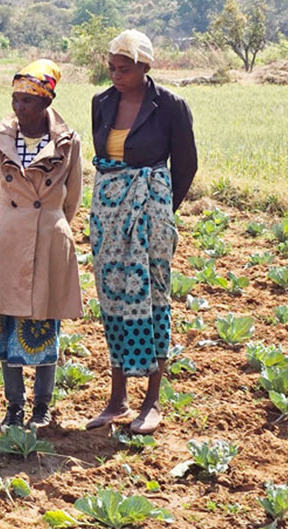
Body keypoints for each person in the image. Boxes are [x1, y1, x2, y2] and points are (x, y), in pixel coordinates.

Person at [85, 30, 197, 434]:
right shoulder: (101, 103)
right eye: (112, 68)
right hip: (107, 215)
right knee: (112, 298)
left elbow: (185, 166)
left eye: (124, 69)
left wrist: (159, 209)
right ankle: (117, 400)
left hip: (150, 214)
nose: (115, 75)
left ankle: (152, 401)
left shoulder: (169, 106)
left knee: (153, 301)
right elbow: (103, 159)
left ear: (145, 68)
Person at [0, 59, 82, 430]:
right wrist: (4, 222)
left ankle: (42, 408)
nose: (19, 107)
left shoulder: (68, 141)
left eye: (28, 101)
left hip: (47, 239)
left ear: (47, 102)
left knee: (45, 325)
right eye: (15, 99)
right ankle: (14, 407)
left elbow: (72, 197)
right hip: (7, 237)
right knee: (5, 325)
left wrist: (49, 224)